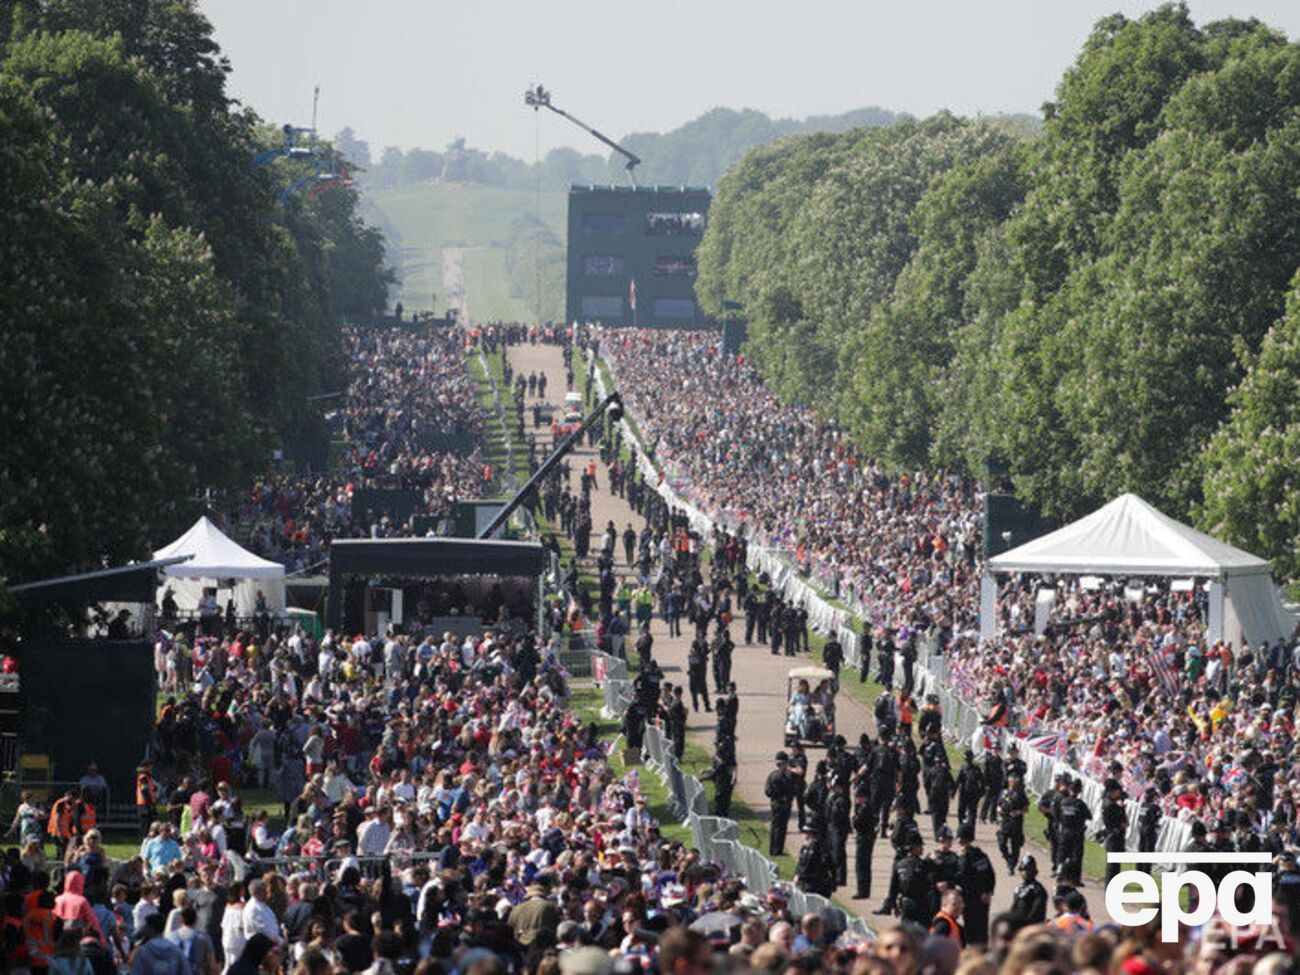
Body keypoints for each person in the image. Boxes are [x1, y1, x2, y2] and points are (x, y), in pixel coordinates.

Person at [765, 752, 798, 857]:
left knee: (774, 826)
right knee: (781, 828)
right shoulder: (786, 777)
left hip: (775, 803)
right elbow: (792, 790)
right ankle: (778, 850)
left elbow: (767, 791)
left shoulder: (771, 775)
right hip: (784, 805)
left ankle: (772, 849)